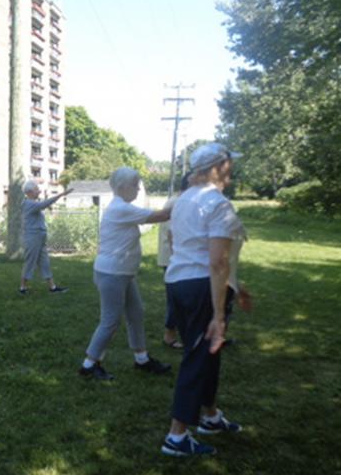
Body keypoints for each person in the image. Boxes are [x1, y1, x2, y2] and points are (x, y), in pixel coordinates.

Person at [160, 143, 249, 457]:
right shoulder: (217, 203)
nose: (232, 168)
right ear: (218, 166)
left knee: (207, 352)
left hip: (177, 282)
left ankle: (209, 416)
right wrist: (218, 315)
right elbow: (217, 263)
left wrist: (235, 289)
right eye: (229, 162)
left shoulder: (184, 199)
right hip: (200, 285)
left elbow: (175, 241)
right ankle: (177, 437)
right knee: (197, 358)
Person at [79, 167, 172, 380]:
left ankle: (142, 359)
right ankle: (89, 365)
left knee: (136, 313)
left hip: (123, 273)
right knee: (110, 321)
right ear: (121, 187)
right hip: (112, 273)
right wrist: (183, 200)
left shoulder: (122, 207)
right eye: (135, 184)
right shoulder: (120, 208)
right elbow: (162, 215)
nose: (139, 188)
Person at [156, 173, 191, 350]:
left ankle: (182, 333)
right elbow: (172, 235)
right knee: (176, 299)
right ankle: (169, 336)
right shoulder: (179, 202)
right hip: (173, 259)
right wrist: (180, 260)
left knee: (179, 298)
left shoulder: (178, 199)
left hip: (174, 258)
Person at [19, 180, 73, 294]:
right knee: (30, 262)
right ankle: (22, 288)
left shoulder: (33, 203)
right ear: (29, 192)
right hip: (32, 237)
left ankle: (52, 287)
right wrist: (62, 194)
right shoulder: (29, 203)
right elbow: (45, 204)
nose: (38, 190)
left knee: (45, 262)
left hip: (39, 237)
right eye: (36, 189)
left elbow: (43, 205)